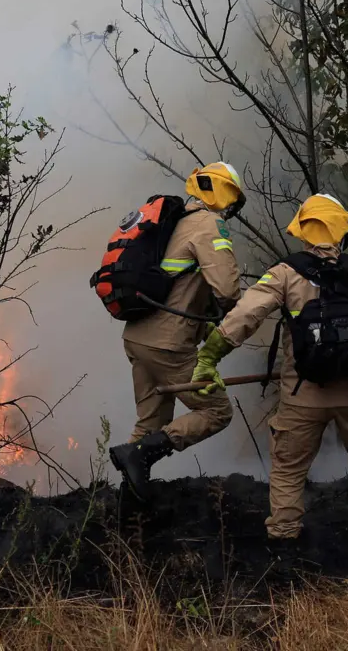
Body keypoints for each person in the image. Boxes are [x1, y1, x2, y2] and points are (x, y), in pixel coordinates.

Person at [193, 194, 348, 562]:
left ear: (303, 232)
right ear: (341, 231)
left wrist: (208, 358)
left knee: (288, 469)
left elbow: (243, 317)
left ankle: (285, 547)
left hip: (304, 395)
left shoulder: (285, 273)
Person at [107, 162, 244, 501]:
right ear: (227, 196)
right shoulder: (210, 224)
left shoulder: (173, 223)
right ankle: (139, 455)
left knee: (149, 422)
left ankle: (130, 506)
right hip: (168, 345)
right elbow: (227, 291)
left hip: (137, 339)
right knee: (216, 412)